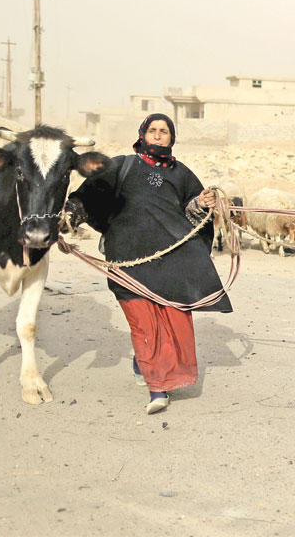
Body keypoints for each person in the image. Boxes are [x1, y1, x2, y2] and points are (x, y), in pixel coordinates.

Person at [64, 113, 232, 414]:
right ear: (142, 133)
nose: (157, 136)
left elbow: (192, 215)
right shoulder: (120, 165)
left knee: (173, 321)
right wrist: (73, 210)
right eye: (152, 130)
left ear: (172, 137)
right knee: (144, 323)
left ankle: (145, 364)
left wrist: (200, 204)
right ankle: (159, 389)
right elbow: (89, 194)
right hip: (128, 258)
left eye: (164, 131)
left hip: (170, 261)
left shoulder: (182, 174)